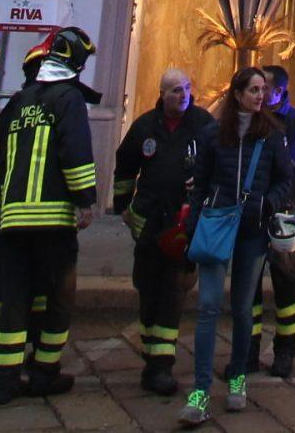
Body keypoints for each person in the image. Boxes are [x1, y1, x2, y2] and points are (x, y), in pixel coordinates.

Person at [0, 26, 101, 404]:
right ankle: (45, 371)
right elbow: (75, 152)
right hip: (53, 220)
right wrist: (85, 200)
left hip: (13, 219)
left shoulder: (22, 99)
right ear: (76, 63)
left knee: (14, 297)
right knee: (57, 296)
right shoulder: (68, 99)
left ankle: (5, 381)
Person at [180, 67, 295, 427]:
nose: (261, 96)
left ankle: (237, 378)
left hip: (252, 231)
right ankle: (199, 391)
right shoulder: (214, 135)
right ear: (238, 94)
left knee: (244, 308)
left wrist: (267, 203)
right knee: (209, 307)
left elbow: (284, 179)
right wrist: (194, 223)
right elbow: (200, 184)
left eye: (263, 90)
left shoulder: (272, 135)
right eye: (254, 90)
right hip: (216, 226)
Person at [112, 67, 214, 396]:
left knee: (173, 291)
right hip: (148, 223)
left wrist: (204, 183)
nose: (182, 95)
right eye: (174, 90)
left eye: (185, 88)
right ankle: (150, 348)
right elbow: (125, 166)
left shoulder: (204, 125)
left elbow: (220, 164)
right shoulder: (144, 127)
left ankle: (161, 364)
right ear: (161, 93)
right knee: (147, 287)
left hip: (183, 223)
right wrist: (123, 207)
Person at [249, 63, 295, 380]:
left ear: (280, 91)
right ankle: (248, 352)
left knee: (286, 287)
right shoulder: (252, 120)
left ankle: (285, 351)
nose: (261, 94)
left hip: (287, 217)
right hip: (253, 214)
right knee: (248, 290)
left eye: (266, 89)